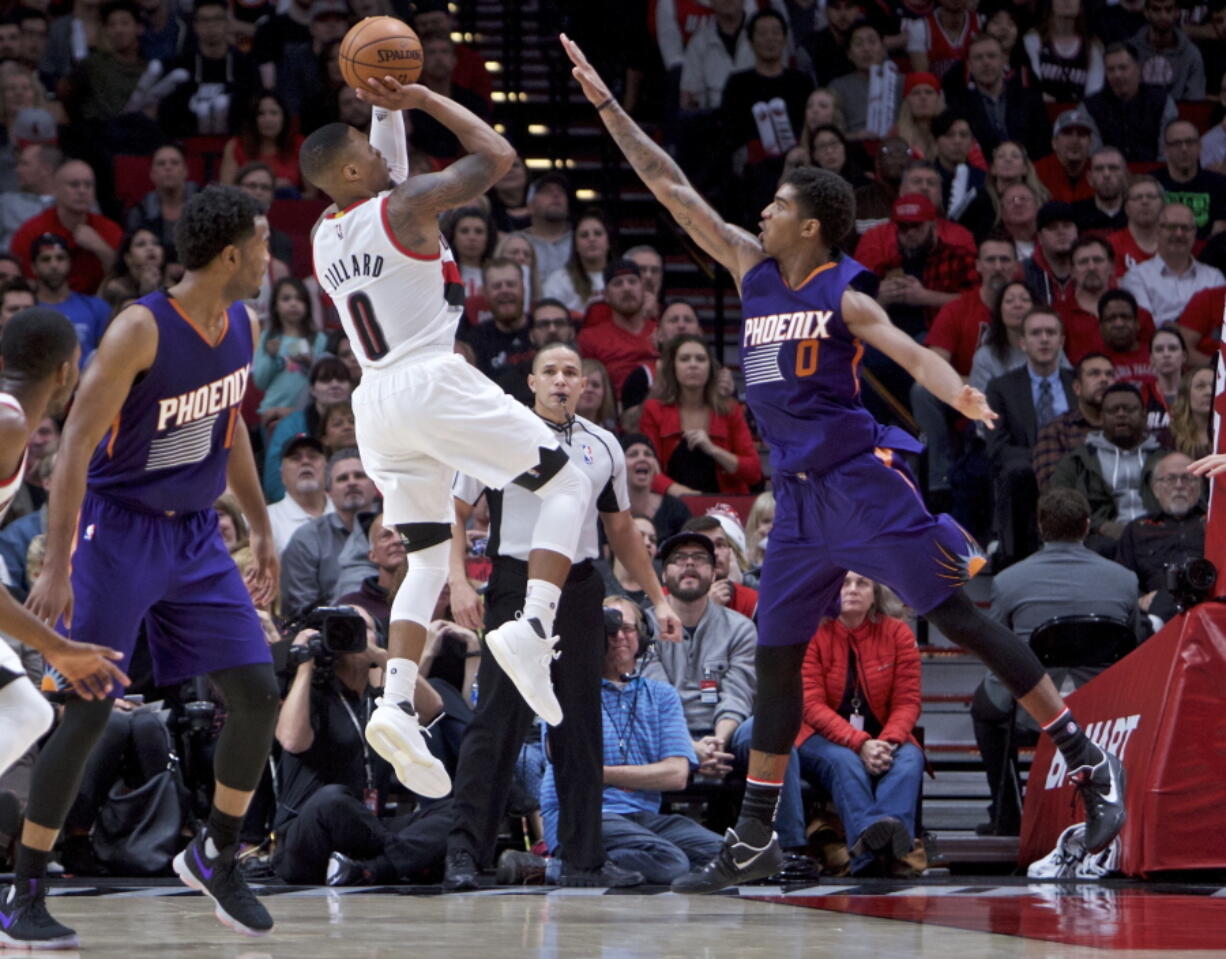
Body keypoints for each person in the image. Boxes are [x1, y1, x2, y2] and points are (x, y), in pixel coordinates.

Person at [565, 33, 1127, 892]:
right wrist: (609, 108)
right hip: (794, 503)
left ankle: (1088, 765)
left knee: (964, 621)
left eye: (777, 204)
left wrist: (962, 391)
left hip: (862, 483)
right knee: (781, 659)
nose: (761, 213)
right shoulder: (751, 268)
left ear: (813, 224)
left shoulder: (845, 293)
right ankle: (753, 836)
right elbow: (672, 189)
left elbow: (908, 351)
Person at [301, 79, 602, 801]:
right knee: (568, 482)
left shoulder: (325, 233)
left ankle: (396, 703)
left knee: (430, 560)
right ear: (351, 171)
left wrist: (386, 102)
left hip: (374, 402)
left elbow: (389, 174)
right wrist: (425, 95)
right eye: (369, 150)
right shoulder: (403, 205)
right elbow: (496, 155)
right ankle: (533, 625)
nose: (381, 153)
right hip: (430, 379)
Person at [10, 187, 280, 946]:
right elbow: (71, 452)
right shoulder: (139, 330)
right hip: (117, 531)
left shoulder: (243, 323)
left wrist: (260, 528)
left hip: (196, 535)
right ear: (230, 254)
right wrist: (59, 562)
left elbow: (230, 431)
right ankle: (26, 887)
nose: (270, 257)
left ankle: (217, 852)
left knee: (257, 691)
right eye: (262, 244)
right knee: (89, 705)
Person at [442, 342, 682, 890]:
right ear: (530, 382)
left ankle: (583, 859)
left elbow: (621, 530)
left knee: (579, 724)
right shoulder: (499, 432)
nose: (560, 380)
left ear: (584, 385)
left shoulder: (605, 446)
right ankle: (465, 853)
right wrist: (458, 579)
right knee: (496, 721)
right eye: (549, 371)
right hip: (511, 584)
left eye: (570, 372)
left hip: (577, 590)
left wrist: (660, 599)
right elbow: (454, 512)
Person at [0, 309, 129, 818]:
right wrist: (57, 646)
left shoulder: (14, 427)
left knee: (27, 712)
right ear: (67, 373)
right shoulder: (8, 424)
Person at [971, 487, 1139, 834]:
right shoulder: (1125, 581)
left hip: (1034, 712)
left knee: (984, 708)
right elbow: (1133, 650)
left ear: (1040, 526)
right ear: (1087, 525)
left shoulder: (1008, 581)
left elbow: (997, 649)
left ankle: (1005, 814)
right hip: (1106, 710)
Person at [534, 596, 723, 884]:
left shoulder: (662, 696)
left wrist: (601, 774)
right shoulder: (568, 689)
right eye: (609, 630)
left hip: (643, 818)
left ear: (643, 637)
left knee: (727, 857)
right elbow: (562, 758)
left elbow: (676, 775)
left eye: (629, 629)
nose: (620, 636)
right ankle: (556, 866)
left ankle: (565, 866)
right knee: (671, 862)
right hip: (583, 814)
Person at [797, 571, 925, 876]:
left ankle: (876, 848)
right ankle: (880, 857)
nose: (852, 589)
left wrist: (889, 742)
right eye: (843, 582)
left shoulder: (898, 633)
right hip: (819, 738)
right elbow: (811, 706)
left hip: (883, 737)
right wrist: (860, 743)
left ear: (875, 593)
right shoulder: (811, 631)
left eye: (862, 583)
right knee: (845, 761)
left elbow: (908, 701)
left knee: (909, 758)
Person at [1050, 382, 1167, 554]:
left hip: (1159, 535)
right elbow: (1056, 505)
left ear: (1144, 415)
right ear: (1101, 418)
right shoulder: (1077, 461)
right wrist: (1100, 525)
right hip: (1101, 540)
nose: (1121, 414)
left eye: (1129, 409)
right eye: (1113, 410)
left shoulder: (1166, 458)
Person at [639, 333, 762, 496]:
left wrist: (713, 450)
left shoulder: (730, 410)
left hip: (725, 504)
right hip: (672, 504)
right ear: (673, 367)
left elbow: (753, 472)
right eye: (684, 359)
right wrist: (688, 497)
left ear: (710, 367)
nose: (693, 365)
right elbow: (647, 469)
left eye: (700, 359)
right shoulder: (653, 410)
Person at [279, 447, 378, 619]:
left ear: (375, 485)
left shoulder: (395, 529)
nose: (352, 482)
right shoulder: (306, 539)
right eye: (342, 479)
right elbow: (300, 609)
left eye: (359, 476)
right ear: (328, 491)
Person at [1118, 450, 1206, 628]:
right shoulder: (1138, 529)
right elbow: (1121, 579)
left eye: (1188, 478)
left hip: (1207, 605)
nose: (1179, 485)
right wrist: (1140, 599)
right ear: (1155, 489)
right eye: (1170, 479)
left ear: (1200, 486)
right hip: (1154, 611)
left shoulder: (1215, 522)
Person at [11, 158, 122, 295]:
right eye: (74, 185)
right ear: (55, 189)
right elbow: (22, 281)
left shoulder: (109, 229)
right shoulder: (31, 231)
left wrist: (100, 247)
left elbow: (123, 277)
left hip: (98, 306)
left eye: (88, 185)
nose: (82, 191)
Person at [1121, 202, 1226, 325]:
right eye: (1171, 227)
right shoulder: (1136, 277)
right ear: (1157, 231)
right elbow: (1144, 325)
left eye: (1185, 228)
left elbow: (1220, 324)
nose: (1179, 234)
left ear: (1194, 233)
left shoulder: (1214, 278)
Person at [1083, 42, 1177, 165]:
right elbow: (1095, 157)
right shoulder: (1090, 107)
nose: (1117, 75)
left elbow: (1167, 154)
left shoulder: (1162, 102)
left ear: (1138, 68)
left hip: (1154, 177)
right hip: (1108, 177)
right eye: (1111, 70)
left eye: (1123, 68)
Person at [1033, 351, 1117, 488]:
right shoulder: (1055, 431)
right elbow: (1053, 488)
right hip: (1078, 507)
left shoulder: (1130, 425)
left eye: (1110, 374)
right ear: (1077, 387)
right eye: (1094, 374)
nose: (1104, 379)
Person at [28, 232, 108, 365]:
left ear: (70, 263)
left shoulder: (96, 307)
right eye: (46, 259)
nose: (54, 265)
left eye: (60, 258)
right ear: (33, 267)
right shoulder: (26, 309)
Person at [621, 433, 692, 545]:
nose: (642, 458)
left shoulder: (676, 509)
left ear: (655, 466)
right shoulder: (607, 510)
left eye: (648, 454)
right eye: (633, 454)